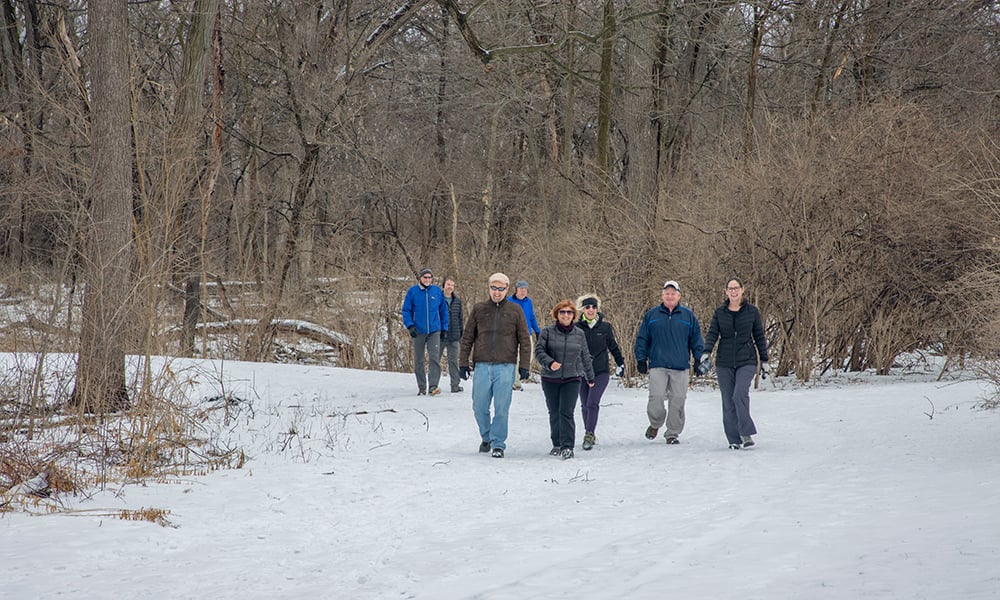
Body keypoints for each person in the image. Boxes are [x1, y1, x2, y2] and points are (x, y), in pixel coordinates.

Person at [459, 273, 532, 458]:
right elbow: (467, 337)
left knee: (501, 408)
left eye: (501, 289)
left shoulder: (515, 310)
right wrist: (463, 362)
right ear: (489, 288)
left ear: (507, 289)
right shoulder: (479, 309)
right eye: (494, 288)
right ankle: (487, 437)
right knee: (479, 407)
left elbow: (525, 340)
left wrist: (524, 365)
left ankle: (498, 443)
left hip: (506, 366)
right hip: (482, 365)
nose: (497, 292)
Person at [634, 280, 705, 444]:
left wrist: (698, 360)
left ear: (679, 296)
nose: (670, 296)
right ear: (662, 295)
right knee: (656, 398)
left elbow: (696, 340)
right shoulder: (652, 315)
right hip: (658, 364)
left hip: (680, 366)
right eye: (667, 293)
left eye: (673, 293)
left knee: (678, 400)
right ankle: (655, 423)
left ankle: (672, 433)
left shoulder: (688, 316)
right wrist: (641, 359)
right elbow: (642, 339)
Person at [702, 277, 769, 449]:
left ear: (742, 290)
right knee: (728, 400)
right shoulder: (720, 312)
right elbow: (712, 333)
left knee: (739, 394)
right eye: (730, 288)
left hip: (746, 360)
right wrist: (707, 351)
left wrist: (765, 360)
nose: (733, 291)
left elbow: (759, 336)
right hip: (724, 361)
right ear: (726, 291)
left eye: (736, 288)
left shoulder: (751, 312)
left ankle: (745, 432)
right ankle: (733, 439)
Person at [536, 300, 595, 460]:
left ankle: (568, 446)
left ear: (574, 315)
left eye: (569, 312)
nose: (566, 315)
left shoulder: (579, 334)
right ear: (557, 314)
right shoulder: (547, 332)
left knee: (566, 412)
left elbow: (585, 355)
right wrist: (549, 363)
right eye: (562, 312)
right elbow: (539, 350)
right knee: (554, 412)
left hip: (572, 377)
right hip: (550, 378)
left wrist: (590, 376)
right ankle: (557, 443)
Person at [575, 294, 625, 451]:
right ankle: (590, 431)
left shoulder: (605, 327)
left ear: (598, 309)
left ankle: (589, 434)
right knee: (584, 404)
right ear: (582, 309)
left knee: (592, 402)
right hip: (581, 372)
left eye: (594, 307)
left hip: (600, 371)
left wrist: (620, 363)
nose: (591, 310)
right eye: (588, 307)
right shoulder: (576, 327)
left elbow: (613, 346)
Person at [401, 268, 448, 396]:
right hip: (418, 330)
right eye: (425, 277)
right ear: (420, 278)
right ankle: (421, 387)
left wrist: (444, 328)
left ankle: (433, 386)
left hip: (434, 330)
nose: (427, 280)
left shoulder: (437, 291)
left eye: (429, 277)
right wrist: (410, 326)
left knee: (434, 357)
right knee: (419, 360)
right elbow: (406, 310)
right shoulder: (413, 292)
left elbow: (443, 311)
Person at [509, 279, 540, 390]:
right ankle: (515, 383)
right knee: (515, 358)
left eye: (525, 290)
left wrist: (537, 331)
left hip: (527, 333)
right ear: (516, 289)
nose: (523, 292)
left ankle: (518, 377)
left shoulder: (528, 302)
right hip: (513, 334)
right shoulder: (509, 301)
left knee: (528, 357)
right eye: (522, 289)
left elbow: (532, 317)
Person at [441, 276, 464, 393]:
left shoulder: (457, 301)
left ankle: (455, 385)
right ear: (443, 285)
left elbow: (461, 319)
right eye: (448, 284)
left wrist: (461, 334)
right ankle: (432, 385)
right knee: (435, 360)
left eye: (452, 285)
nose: (450, 287)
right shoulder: (438, 299)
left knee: (454, 361)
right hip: (440, 335)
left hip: (454, 335)